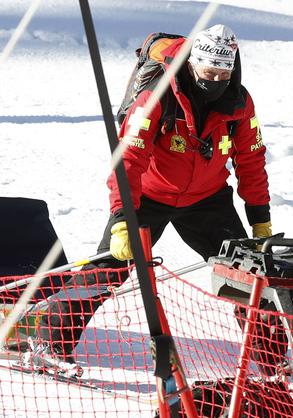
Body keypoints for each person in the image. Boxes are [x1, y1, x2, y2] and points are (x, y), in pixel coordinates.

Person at [25, 24, 272, 376]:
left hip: (207, 200)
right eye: (207, 72)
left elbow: (251, 159)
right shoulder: (157, 95)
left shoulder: (239, 102)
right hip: (147, 195)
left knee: (248, 274)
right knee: (108, 267)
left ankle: (273, 358)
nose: (214, 80)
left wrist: (260, 218)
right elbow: (128, 159)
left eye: (223, 73)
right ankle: (48, 342)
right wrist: (123, 217)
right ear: (192, 65)